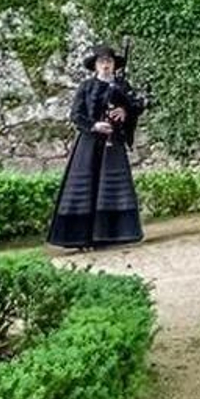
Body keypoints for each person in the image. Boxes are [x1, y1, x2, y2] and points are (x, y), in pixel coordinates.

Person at [47, 44, 145, 248]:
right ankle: (81, 237)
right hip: (89, 145)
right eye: (102, 62)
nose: (106, 65)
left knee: (111, 188)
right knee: (87, 188)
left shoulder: (122, 85)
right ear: (95, 66)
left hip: (113, 144)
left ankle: (112, 234)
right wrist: (94, 125)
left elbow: (136, 106)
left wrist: (125, 112)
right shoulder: (86, 87)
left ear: (114, 65)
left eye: (109, 62)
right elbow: (76, 114)